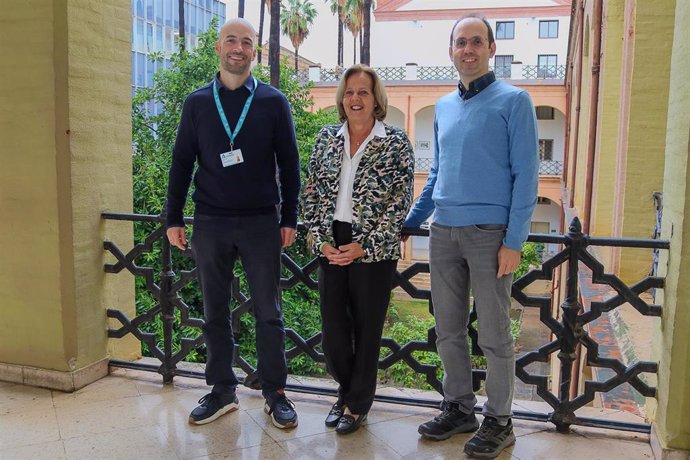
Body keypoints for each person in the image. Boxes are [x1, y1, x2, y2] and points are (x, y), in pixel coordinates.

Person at [404, 15, 538, 458]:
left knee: (495, 335)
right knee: (448, 330)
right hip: (443, 231)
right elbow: (437, 171)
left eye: (476, 42)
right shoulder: (443, 106)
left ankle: (500, 420)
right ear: (450, 51)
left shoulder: (515, 101)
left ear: (491, 49)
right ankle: (459, 407)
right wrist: (412, 218)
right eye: (460, 43)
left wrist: (514, 241)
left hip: (489, 235)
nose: (467, 50)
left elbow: (527, 176)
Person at [165, 18, 301, 429]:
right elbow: (182, 162)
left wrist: (289, 216)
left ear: (254, 51)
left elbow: (290, 163)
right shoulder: (197, 102)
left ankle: (275, 391)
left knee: (268, 312)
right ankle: (222, 390)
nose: (238, 48)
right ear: (218, 48)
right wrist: (173, 216)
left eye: (246, 42)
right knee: (214, 312)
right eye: (230, 41)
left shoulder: (274, 102)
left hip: (262, 222)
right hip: (210, 222)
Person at [302, 65, 414, 435]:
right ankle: (347, 392)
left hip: (372, 247)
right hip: (331, 240)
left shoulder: (396, 142)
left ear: (376, 99)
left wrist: (365, 246)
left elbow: (400, 202)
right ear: (341, 98)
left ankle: (356, 404)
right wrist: (320, 241)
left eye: (363, 92)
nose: (355, 99)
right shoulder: (325, 139)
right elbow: (312, 194)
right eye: (349, 92)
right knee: (334, 328)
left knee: (367, 329)